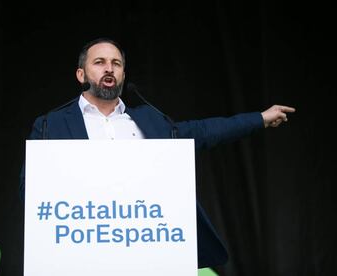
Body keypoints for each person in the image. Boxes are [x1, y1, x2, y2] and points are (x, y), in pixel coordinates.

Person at [20, 37, 295, 268]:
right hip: (79, 256)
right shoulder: (50, 124)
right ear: (81, 74)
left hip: (146, 253)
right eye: (99, 62)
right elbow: (29, 190)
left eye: (116, 64)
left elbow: (205, 131)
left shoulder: (149, 121)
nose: (109, 69)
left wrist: (259, 118)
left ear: (123, 75)